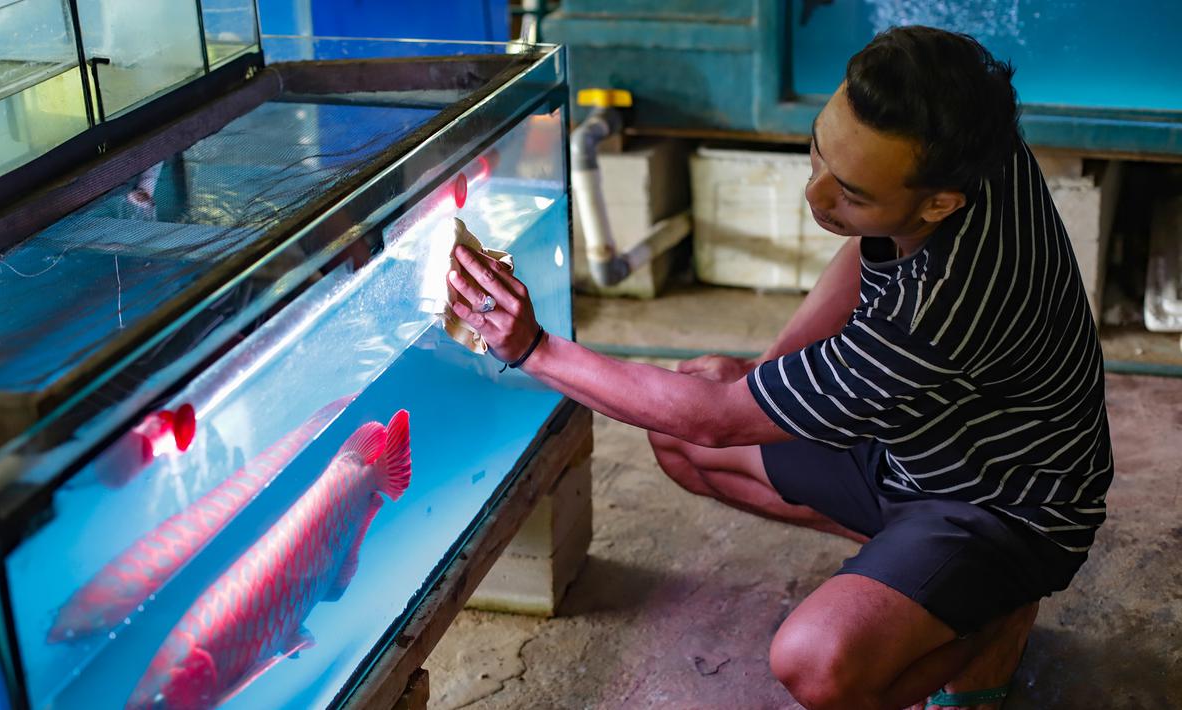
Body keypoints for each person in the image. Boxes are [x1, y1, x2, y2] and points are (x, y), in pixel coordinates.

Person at [446, 25, 1112, 710]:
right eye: (817, 150)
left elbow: (714, 421)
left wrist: (534, 349)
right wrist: (770, 370)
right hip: (916, 445)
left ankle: (990, 617)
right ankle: (929, 590)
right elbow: (868, 244)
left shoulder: (934, 314)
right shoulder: (968, 138)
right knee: (675, 432)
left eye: (849, 193)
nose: (816, 196)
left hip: (1006, 505)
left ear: (939, 201)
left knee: (814, 666)